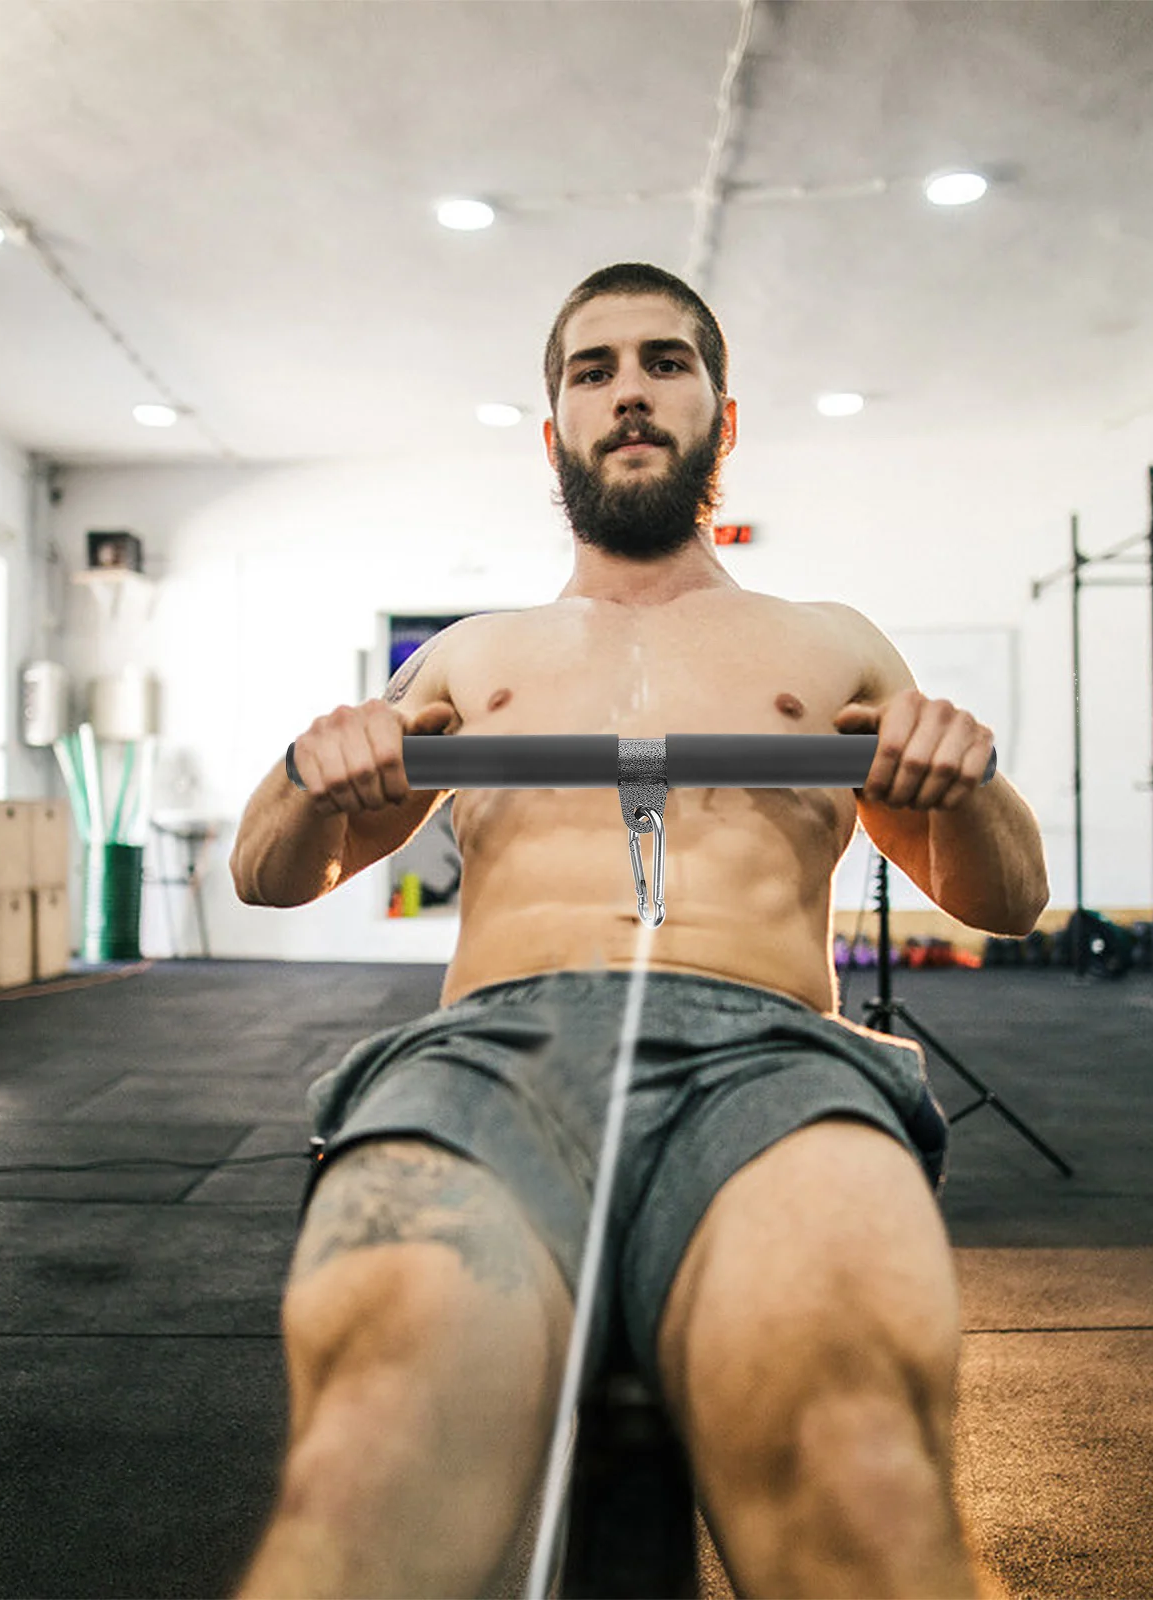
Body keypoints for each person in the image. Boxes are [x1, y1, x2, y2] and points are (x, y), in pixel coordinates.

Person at [230, 262, 1047, 1598]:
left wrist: (967, 777)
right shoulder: (468, 653)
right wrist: (309, 771)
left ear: (724, 417)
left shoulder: (832, 642)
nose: (627, 393)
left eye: (664, 363)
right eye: (590, 369)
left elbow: (1007, 897)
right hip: (493, 1057)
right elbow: (270, 874)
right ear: (551, 425)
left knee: (861, 1464)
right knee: (366, 1457)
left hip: (771, 1066)